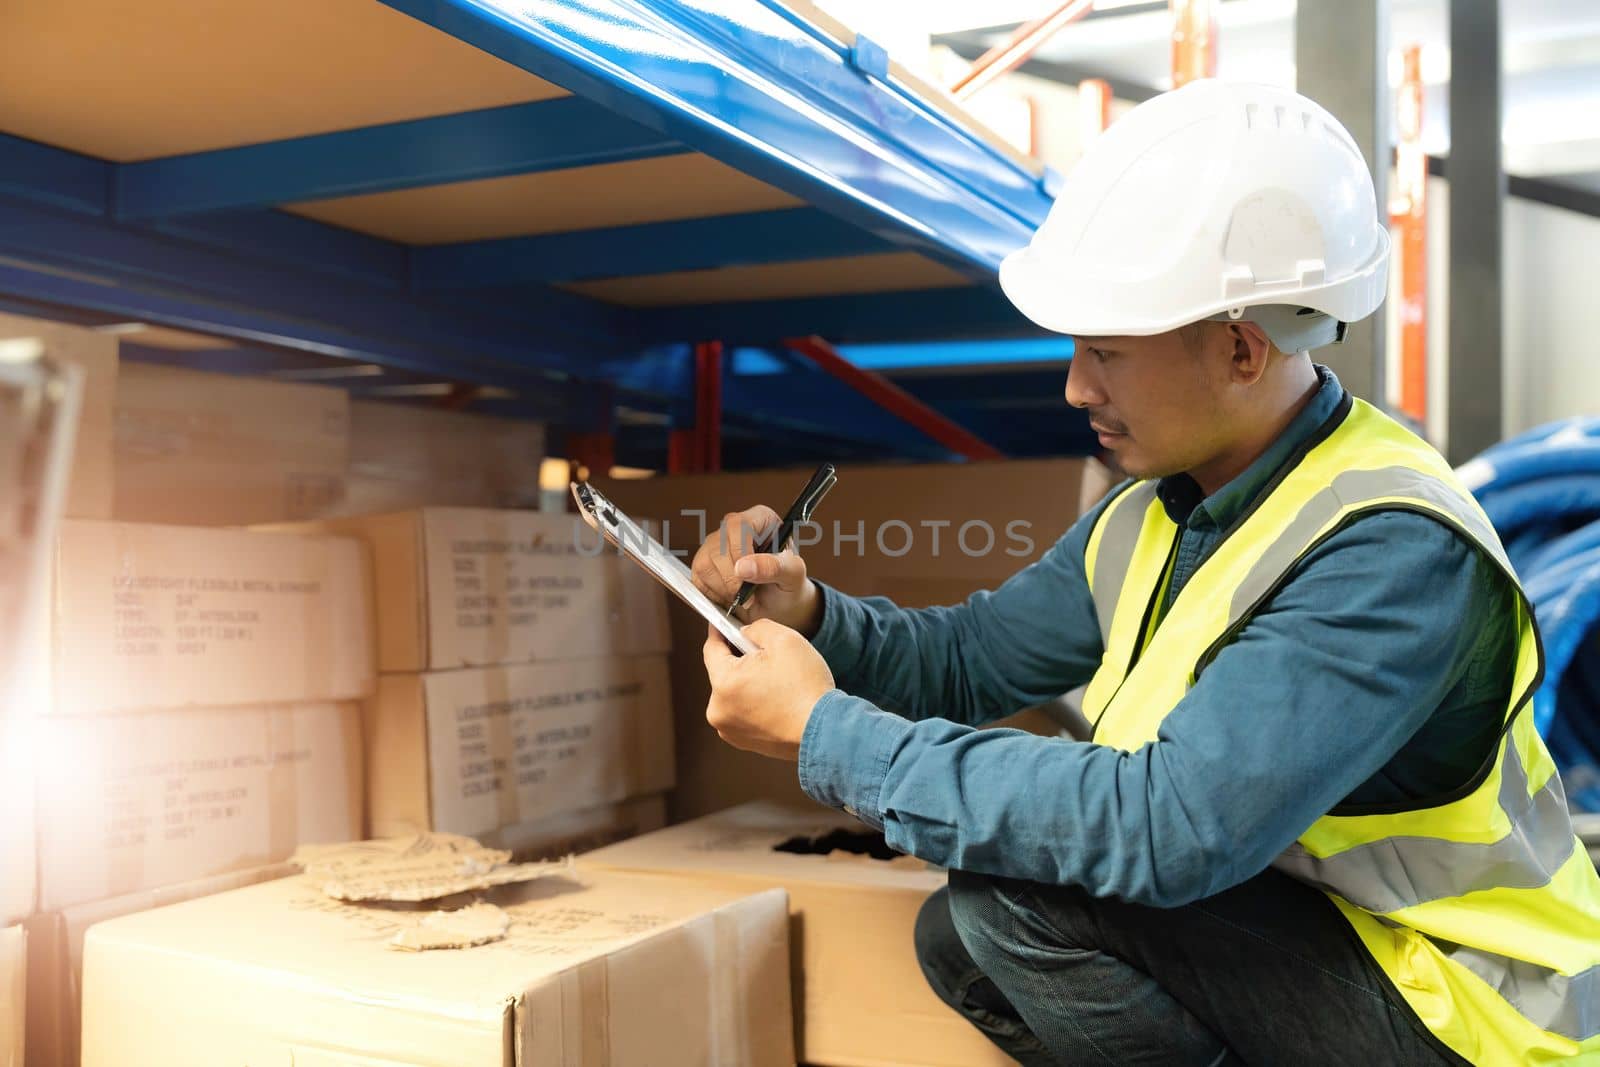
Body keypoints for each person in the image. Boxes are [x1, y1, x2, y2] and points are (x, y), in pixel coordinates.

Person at [689, 80, 1600, 1065]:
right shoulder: (1152, 511)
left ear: (1241, 349)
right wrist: (811, 615)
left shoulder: (1392, 549)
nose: (1076, 385)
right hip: (1343, 939)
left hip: (1475, 1010)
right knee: (960, 937)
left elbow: (1172, 826)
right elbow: (965, 658)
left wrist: (829, 735)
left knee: (1021, 893)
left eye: (1107, 352)